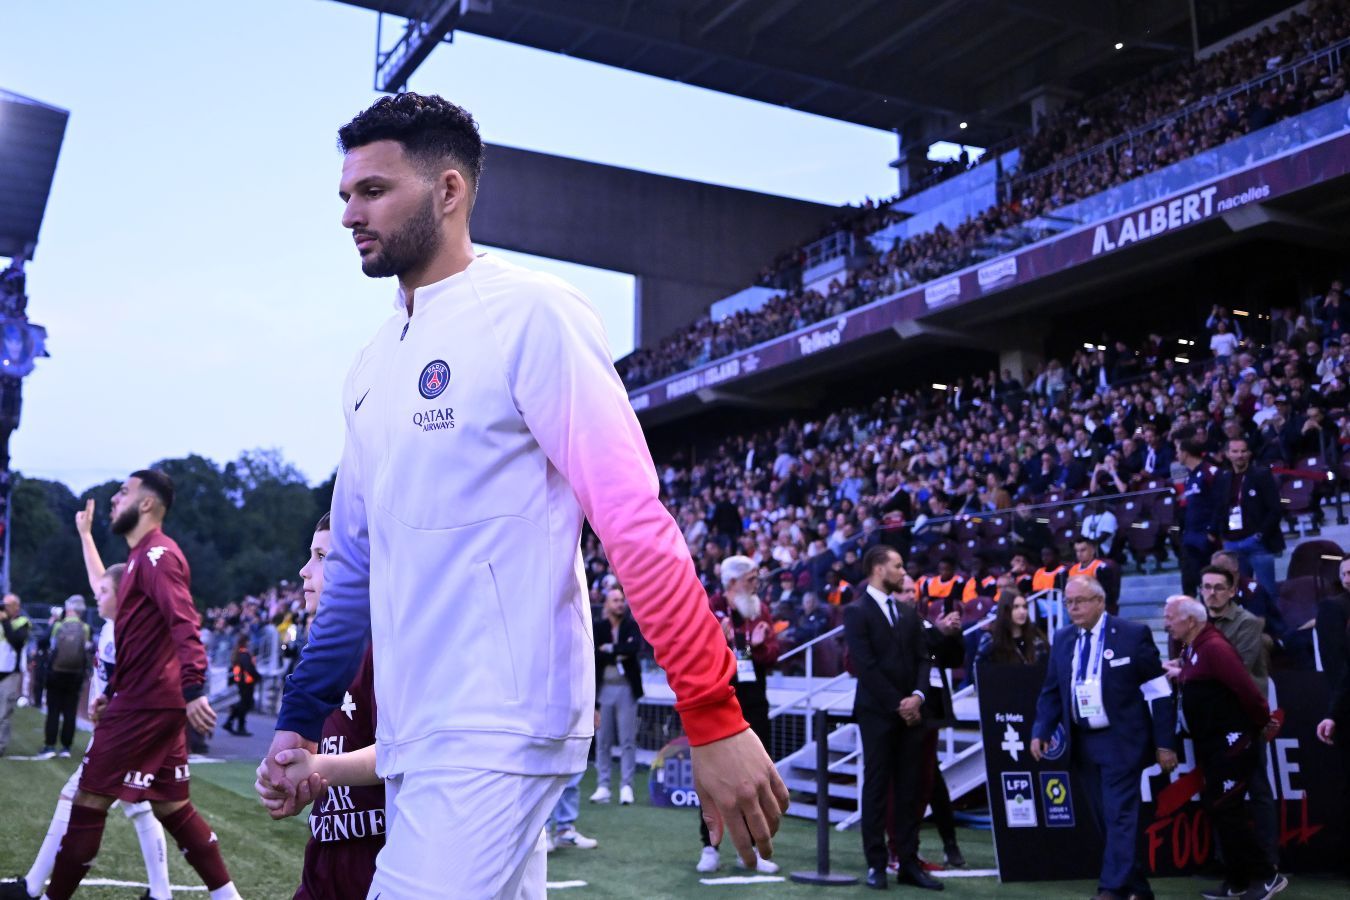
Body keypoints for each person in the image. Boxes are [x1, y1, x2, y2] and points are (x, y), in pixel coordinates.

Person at [258, 93, 786, 898]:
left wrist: (711, 712)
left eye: (373, 190)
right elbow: (353, 574)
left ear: (448, 191)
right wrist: (299, 722)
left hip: (501, 721)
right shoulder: (369, 367)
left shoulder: (533, 313)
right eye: (346, 194)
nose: (349, 214)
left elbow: (632, 521)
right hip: (414, 729)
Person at [17, 470, 241, 900]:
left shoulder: (157, 556)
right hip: (150, 701)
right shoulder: (139, 558)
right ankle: (228, 896)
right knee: (172, 806)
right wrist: (110, 690)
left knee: (88, 799)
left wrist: (194, 687)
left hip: (145, 705)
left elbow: (184, 621)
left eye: (123, 492)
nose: (114, 499)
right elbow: (142, 641)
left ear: (147, 504)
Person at [15, 541, 173, 900]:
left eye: (103, 592)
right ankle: (162, 893)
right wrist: (85, 535)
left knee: (75, 798)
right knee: (139, 805)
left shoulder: (125, 631)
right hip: (117, 727)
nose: (95, 596)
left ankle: (32, 886)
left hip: (121, 731)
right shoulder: (110, 624)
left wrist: (111, 715)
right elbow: (102, 579)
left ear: (121, 595)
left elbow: (132, 684)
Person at [1030, 576, 1177, 900]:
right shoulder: (1063, 638)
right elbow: (1052, 691)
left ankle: (1111, 889)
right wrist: (1041, 730)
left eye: (1080, 601)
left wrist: (1165, 743)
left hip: (1121, 741)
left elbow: (1159, 693)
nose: (1073, 608)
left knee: (1119, 815)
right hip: (1083, 741)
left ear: (1100, 601)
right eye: (1068, 602)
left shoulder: (1132, 635)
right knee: (1106, 820)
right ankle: (1138, 888)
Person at [266, 512, 385, 900]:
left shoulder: (383, 648)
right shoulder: (317, 657)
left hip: (381, 856)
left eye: (322, 557)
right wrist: (284, 774)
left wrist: (319, 768)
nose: (304, 570)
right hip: (324, 854)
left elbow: (405, 750)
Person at [1162, 596, 1287, 900]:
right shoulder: (1194, 646)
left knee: (1227, 809)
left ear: (1190, 620)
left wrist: (1263, 721)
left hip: (1233, 743)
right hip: (1213, 743)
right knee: (1219, 808)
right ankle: (1238, 881)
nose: (1166, 624)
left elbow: (1246, 688)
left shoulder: (1215, 647)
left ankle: (1267, 875)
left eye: (1170, 617)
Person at [842, 544, 942, 891]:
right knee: (877, 788)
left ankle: (908, 863)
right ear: (878, 568)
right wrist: (899, 703)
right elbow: (865, 666)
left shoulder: (907, 613)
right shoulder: (856, 612)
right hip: (878, 715)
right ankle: (877, 863)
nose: (903, 572)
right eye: (897, 566)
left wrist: (918, 697)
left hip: (912, 715)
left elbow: (924, 658)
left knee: (910, 790)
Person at [699, 556, 781, 874]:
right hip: (720, 699)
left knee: (757, 774)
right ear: (732, 581)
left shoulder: (760, 610)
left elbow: (773, 653)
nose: (756, 584)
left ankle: (754, 849)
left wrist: (755, 646)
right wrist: (723, 641)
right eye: (751, 579)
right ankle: (710, 845)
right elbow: (703, 652)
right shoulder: (711, 606)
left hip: (755, 700)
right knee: (715, 774)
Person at [1210, 436, 1284, 601]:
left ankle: (1271, 619)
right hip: (1232, 544)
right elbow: (1220, 508)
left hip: (1257, 543)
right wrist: (1218, 533)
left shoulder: (1261, 475)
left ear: (1249, 453)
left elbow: (1275, 509)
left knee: (1267, 593)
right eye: (1235, 451)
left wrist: (1260, 535)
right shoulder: (1223, 478)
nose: (1240, 455)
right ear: (1227, 454)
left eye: (1243, 451)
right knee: (1238, 594)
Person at [589, 587, 642, 806]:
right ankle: (603, 785)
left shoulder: (631, 625)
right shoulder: (599, 627)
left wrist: (610, 649)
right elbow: (595, 654)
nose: (620, 604)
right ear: (607, 604)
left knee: (628, 739)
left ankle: (626, 786)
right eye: (616, 600)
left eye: (622, 600)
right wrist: (618, 651)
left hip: (626, 689)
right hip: (604, 689)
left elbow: (633, 648)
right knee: (603, 739)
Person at [40, 596, 91, 759]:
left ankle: (49, 745)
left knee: (53, 710)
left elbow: (42, 641)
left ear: (69, 609)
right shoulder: (86, 628)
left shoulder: (58, 625)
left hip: (56, 672)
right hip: (76, 674)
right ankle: (66, 747)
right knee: (70, 711)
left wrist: (52, 622)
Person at [1176, 432, 1221, 596]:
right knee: (1188, 581)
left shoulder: (1210, 471)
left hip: (1206, 536)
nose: (1176, 455)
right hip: (1190, 535)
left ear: (1185, 453)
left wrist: (1212, 532)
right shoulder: (1190, 477)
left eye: (1178, 451)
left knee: (1207, 583)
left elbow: (1220, 504)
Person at [974, 592, 1047, 669]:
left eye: (1025, 607)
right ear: (1005, 610)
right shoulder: (990, 639)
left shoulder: (1035, 637)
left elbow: (1044, 668)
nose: (1022, 611)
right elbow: (978, 670)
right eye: (1016, 607)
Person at [0, 592, 31, 757]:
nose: (3, 608)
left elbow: (16, 641)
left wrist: (5, 621)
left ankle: (0, 746)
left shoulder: (23, 623)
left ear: (16, 607)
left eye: (7, 605)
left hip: (10, 673)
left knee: (4, 712)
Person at [1068, 537, 1119, 615]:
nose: (1079, 554)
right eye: (1077, 551)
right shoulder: (1072, 569)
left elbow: (1106, 595)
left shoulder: (1100, 568)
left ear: (1092, 551)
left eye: (1083, 550)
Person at [223, 635, 259, 736]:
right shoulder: (244, 654)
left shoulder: (237, 653)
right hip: (246, 682)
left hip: (241, 682)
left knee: (243, 704)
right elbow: (248, 668)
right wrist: (257, 677)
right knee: (245, 704)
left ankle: (230, 722)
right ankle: (240, 727)